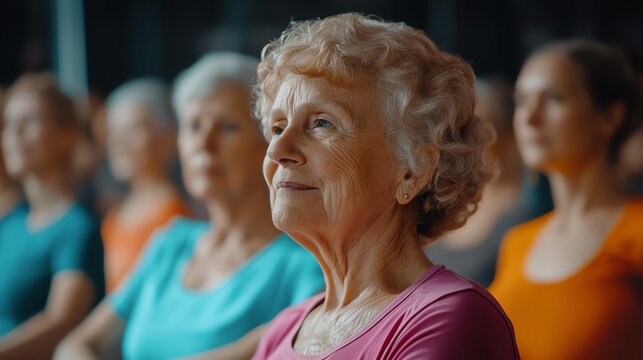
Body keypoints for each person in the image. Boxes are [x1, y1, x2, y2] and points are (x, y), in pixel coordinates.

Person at [252, 13, 519, 359]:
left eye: (321, 123)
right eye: (277, 127)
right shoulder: (283, 329)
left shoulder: (446, 316)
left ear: (412, 170)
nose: (278, 150)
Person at [55, 52, 324, 360]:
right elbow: (75, 345)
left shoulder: (303, 264)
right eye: (194, 126)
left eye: (227, 127)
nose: (204, 144)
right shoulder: (171, 244)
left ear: (269, 145)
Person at [489, 40, 643, 359]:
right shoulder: (517, 242)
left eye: (554, 99)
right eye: (522, 101)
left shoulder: (637, 231)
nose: (529, 118)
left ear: (610, 117)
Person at [0, 73, 105, 359]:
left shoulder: (76, 227)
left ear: (66, 135)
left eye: (30, 121)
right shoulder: (10, 224)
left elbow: (61, 323)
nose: (15, 134)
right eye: (8, 124)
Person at [426, 78, 523, 287]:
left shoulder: (525, 213)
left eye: (479, 129)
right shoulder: (441, 203)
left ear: (509, 135)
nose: (464, 141)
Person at [101, 78, 190, 293]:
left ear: (168, 138)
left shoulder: (177, 217)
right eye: (114, 132)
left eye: (133, 130)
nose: (119, 143)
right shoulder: (114, 215)